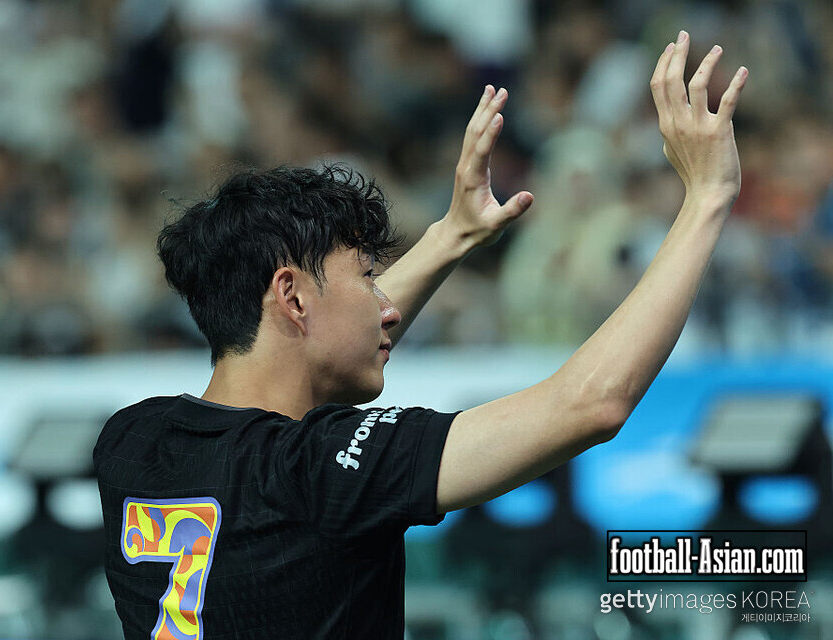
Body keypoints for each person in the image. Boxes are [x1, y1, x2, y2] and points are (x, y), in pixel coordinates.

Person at [94, 32, 747, 639]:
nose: (386, 308)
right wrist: (706, 198)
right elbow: (589, 404)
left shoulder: (131, 444)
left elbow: (314, 346)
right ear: (291, 295)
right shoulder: (319, 471)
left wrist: (450, 236)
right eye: (368, 276)